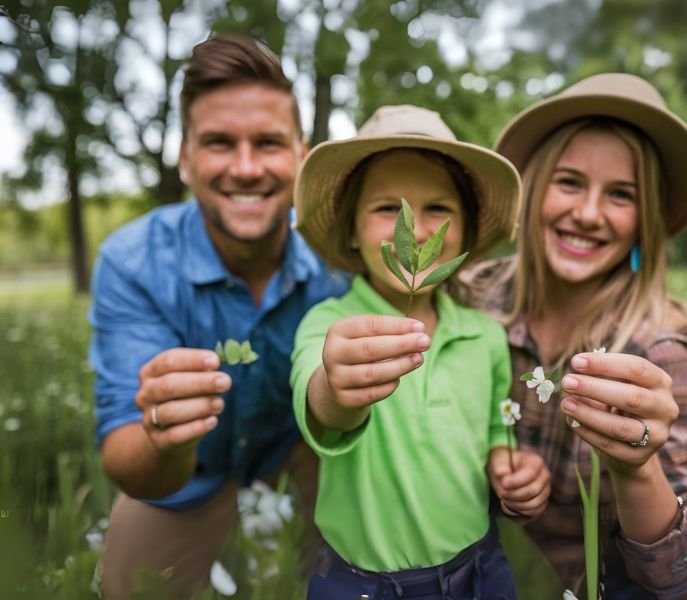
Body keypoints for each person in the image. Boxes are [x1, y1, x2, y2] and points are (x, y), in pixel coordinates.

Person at [88, 34, 348, 599]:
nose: (247, 168)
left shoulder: (339, 258)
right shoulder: (133, 263)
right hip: (186, 473)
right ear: (185, 157)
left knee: (357, 574)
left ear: (302, 155)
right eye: (219, 143)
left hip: (305, 451)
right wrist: (163, 437)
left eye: (269, 143)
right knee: (129, 589)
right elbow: (123, 453)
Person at [460, 73, 687, 599]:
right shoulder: (469, 300)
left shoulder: (656, 347)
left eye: (621, 195)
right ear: (533, 190)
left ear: (643, 224)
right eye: (569, 182)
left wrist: (637, 470)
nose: (587, 214)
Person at [290, 104, 552, 599]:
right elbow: (320, 407)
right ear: (350, 229)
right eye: (389, 208)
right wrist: (338, 388)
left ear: (467, 235)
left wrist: (507, 461)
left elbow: (499, 422)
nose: (415, 230)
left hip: (480, 570)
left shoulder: (485, 335)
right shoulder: (328, 326)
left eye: (438, 208)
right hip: (360, 583)